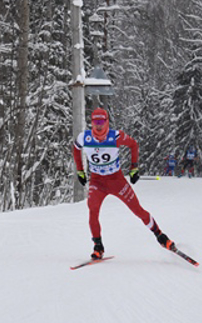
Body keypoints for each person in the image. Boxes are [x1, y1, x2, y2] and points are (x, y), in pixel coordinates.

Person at [73, 108, 175, 260]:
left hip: (116, 180)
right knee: (92, 211)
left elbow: (133, 145)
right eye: (96, 122)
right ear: (92, 123)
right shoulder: (84, 138)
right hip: (97, 182)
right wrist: (80, 171)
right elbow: (75, 149)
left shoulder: (116, 136)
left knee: (137, 210)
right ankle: (98, 247)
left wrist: (134, 168)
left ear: (107, 122)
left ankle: (161, 236)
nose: (99, 126)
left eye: (101, 122)